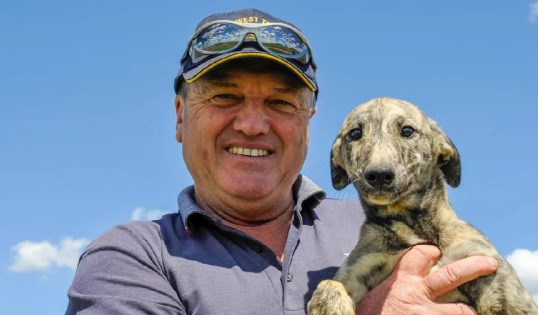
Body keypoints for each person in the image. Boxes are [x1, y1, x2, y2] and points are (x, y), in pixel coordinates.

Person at [66, 8, 497, 315]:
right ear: (181, 117)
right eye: (225, 97)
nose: (253, 124)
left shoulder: (395, 226)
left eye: (279, 102)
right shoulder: (131, 257)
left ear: (308, 122)